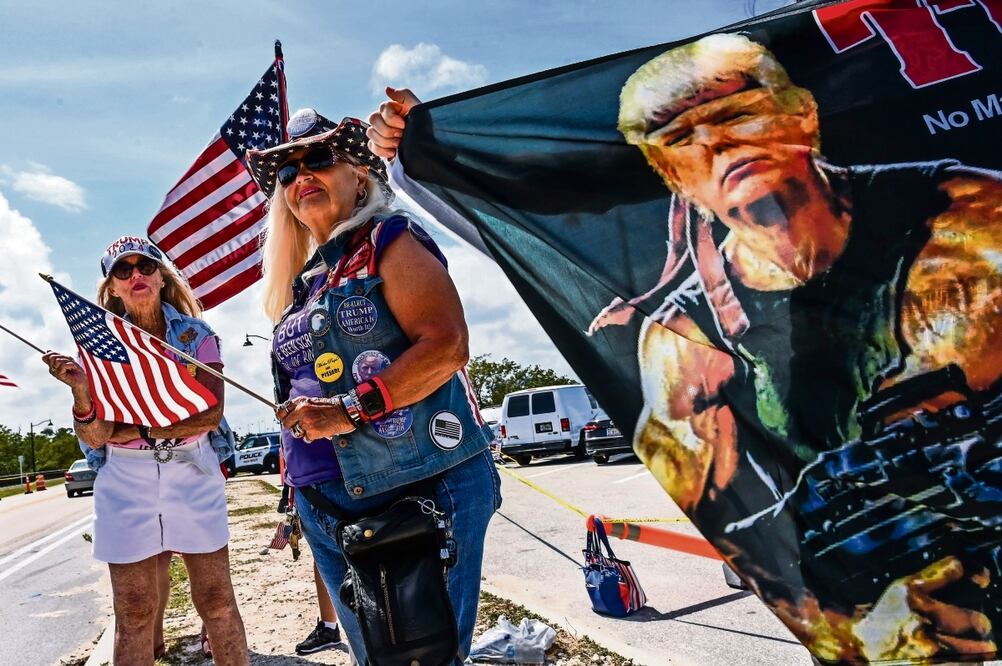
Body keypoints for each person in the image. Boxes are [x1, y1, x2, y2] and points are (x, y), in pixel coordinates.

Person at [580, 33, 1002, 662]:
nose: (716, 145)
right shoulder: (691, 341)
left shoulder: (967, 224)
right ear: (672, 177)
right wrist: (856, 629)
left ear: (801, 114)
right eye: (682, 141)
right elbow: (742, 539)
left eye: (736, 114)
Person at [246, 108, 501, 665]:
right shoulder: (309, 279)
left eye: (317, 159)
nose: (300, 176)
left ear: (360, 173)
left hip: (411, 492)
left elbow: (446, 346)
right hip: (325, 500)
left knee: (422, 661)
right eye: (287, 172)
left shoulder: (391, 237)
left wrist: (346, 411)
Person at [42, 236, 248, 665]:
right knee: (134, 612)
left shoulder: (195, 336)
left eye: (145, 266)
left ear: (161, 276)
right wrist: (81, 391)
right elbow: (98, 436)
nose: (136, 275)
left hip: (192, 467)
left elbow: (209, 416)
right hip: (125, 478)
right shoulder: (95, 344)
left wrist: (136, 429)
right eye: (123, 270)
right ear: (111, 286)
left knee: (216, 600)